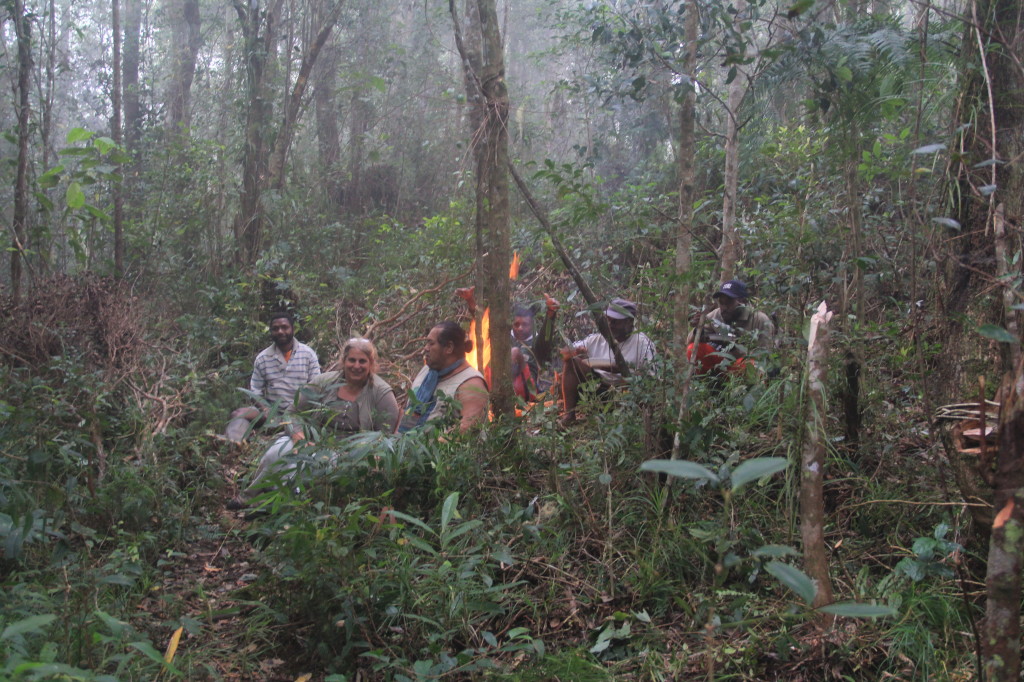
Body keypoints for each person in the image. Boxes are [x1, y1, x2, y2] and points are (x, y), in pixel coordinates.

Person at [228, 337, 399, 509]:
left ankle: (276, 508)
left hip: (349, 453)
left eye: (362, 361)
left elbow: (385, 435)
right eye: (352, 360)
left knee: (314, 469)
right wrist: (298, 436)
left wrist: (362, 454)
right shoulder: (323, 382)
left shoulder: (381, 392)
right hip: (310, 439)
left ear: (371, 363)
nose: (356, 366)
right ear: (343, 361)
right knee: (275, 454)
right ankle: (249, 497)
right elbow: (292, 413)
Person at [224, 311, 321, 442]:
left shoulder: (308, 354)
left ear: (293, 329)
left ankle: (292, 432)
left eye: (284, 327)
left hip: (299, 414)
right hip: (272, 413)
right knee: (238, 414)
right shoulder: (263, 358)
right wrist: (265, 409)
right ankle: (234, 443)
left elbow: (316, 387)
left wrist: (299, 411)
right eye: (275, 329)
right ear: (271, 332)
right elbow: (255, 390)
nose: (280, 331)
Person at [559, 298, 656, 425]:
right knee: (572, 362)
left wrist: (622, 371)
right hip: (597, 391)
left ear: (630, 321)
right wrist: (575, 352)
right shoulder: (596, 339)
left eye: (616, 322)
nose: (610, 325)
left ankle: (623, 417)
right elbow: (564, 353)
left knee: (631, 380)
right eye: (608, 320)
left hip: (626, 396)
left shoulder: (642, 343)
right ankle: (569, 416)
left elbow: (652, 377)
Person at [456, 287, 559, 401]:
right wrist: (470, 300)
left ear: (532, 325)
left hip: (526, 389)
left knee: (515, 352)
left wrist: (551, 312)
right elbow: (482, 325)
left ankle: (497, 390)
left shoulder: (537, 342)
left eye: (525, 324)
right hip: (495, 383)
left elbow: (546, 337)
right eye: (517, 324)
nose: (520, 328)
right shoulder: (504, 337)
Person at [399, 321, 489, 433]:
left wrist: (423, 448)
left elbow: (468, 430)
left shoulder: (471, 384)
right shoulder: (427, 371)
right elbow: (408, 411)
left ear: (449, 348)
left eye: (431, 344)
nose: (426, 348)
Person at [687, 279, 775, 375]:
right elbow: (689, 342)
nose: (724, 307)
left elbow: (764, 355)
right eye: (721, 302)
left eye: (729, 303)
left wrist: (735, 345)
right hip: (721, 364)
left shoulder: (759, 319)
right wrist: (698, 330)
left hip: (742, 365)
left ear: (742, 301)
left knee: (752, 365)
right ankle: (707, 382)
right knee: (693, 349)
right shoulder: (715, 315)